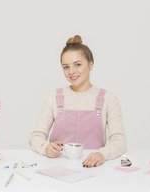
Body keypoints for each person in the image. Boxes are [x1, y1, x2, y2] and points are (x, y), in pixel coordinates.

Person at [29, 35, 126, 168]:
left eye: (78, 65)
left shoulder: (108, 98)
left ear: (91, 64)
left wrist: (103, 154)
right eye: (66, 67)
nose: (72, 72)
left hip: (95, 168)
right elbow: (36, 136)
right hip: (58, 168)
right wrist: (45, 148)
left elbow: (119, 141)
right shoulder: (55, 97)